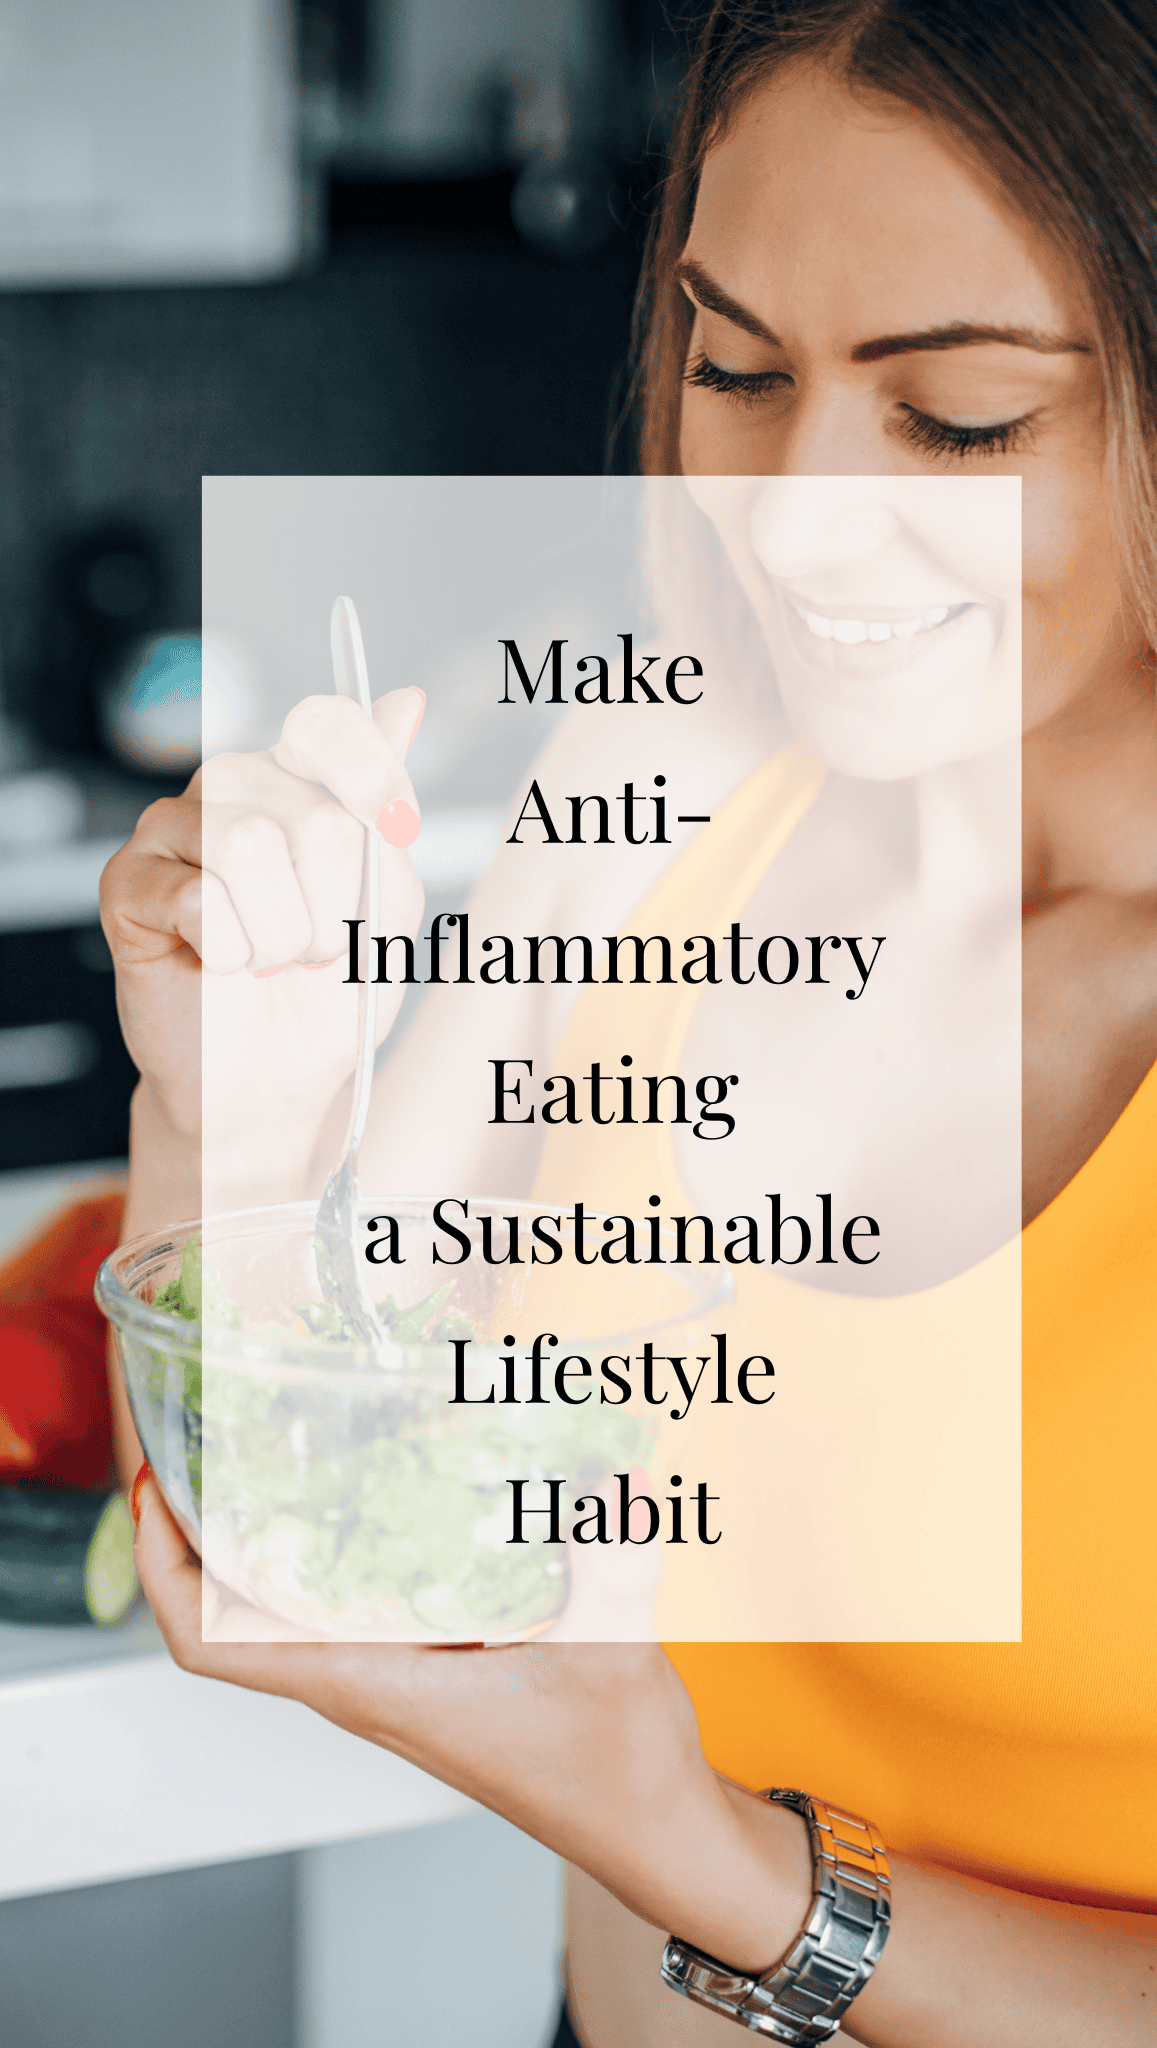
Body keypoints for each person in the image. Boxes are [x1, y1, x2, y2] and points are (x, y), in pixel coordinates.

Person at [102, 2, 1157, 2041]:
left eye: (951, 420)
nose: (791, 512)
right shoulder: (669, 793)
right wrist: (246, 1109)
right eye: (734, 366)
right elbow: (296, 1549)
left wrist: (718, 1865)